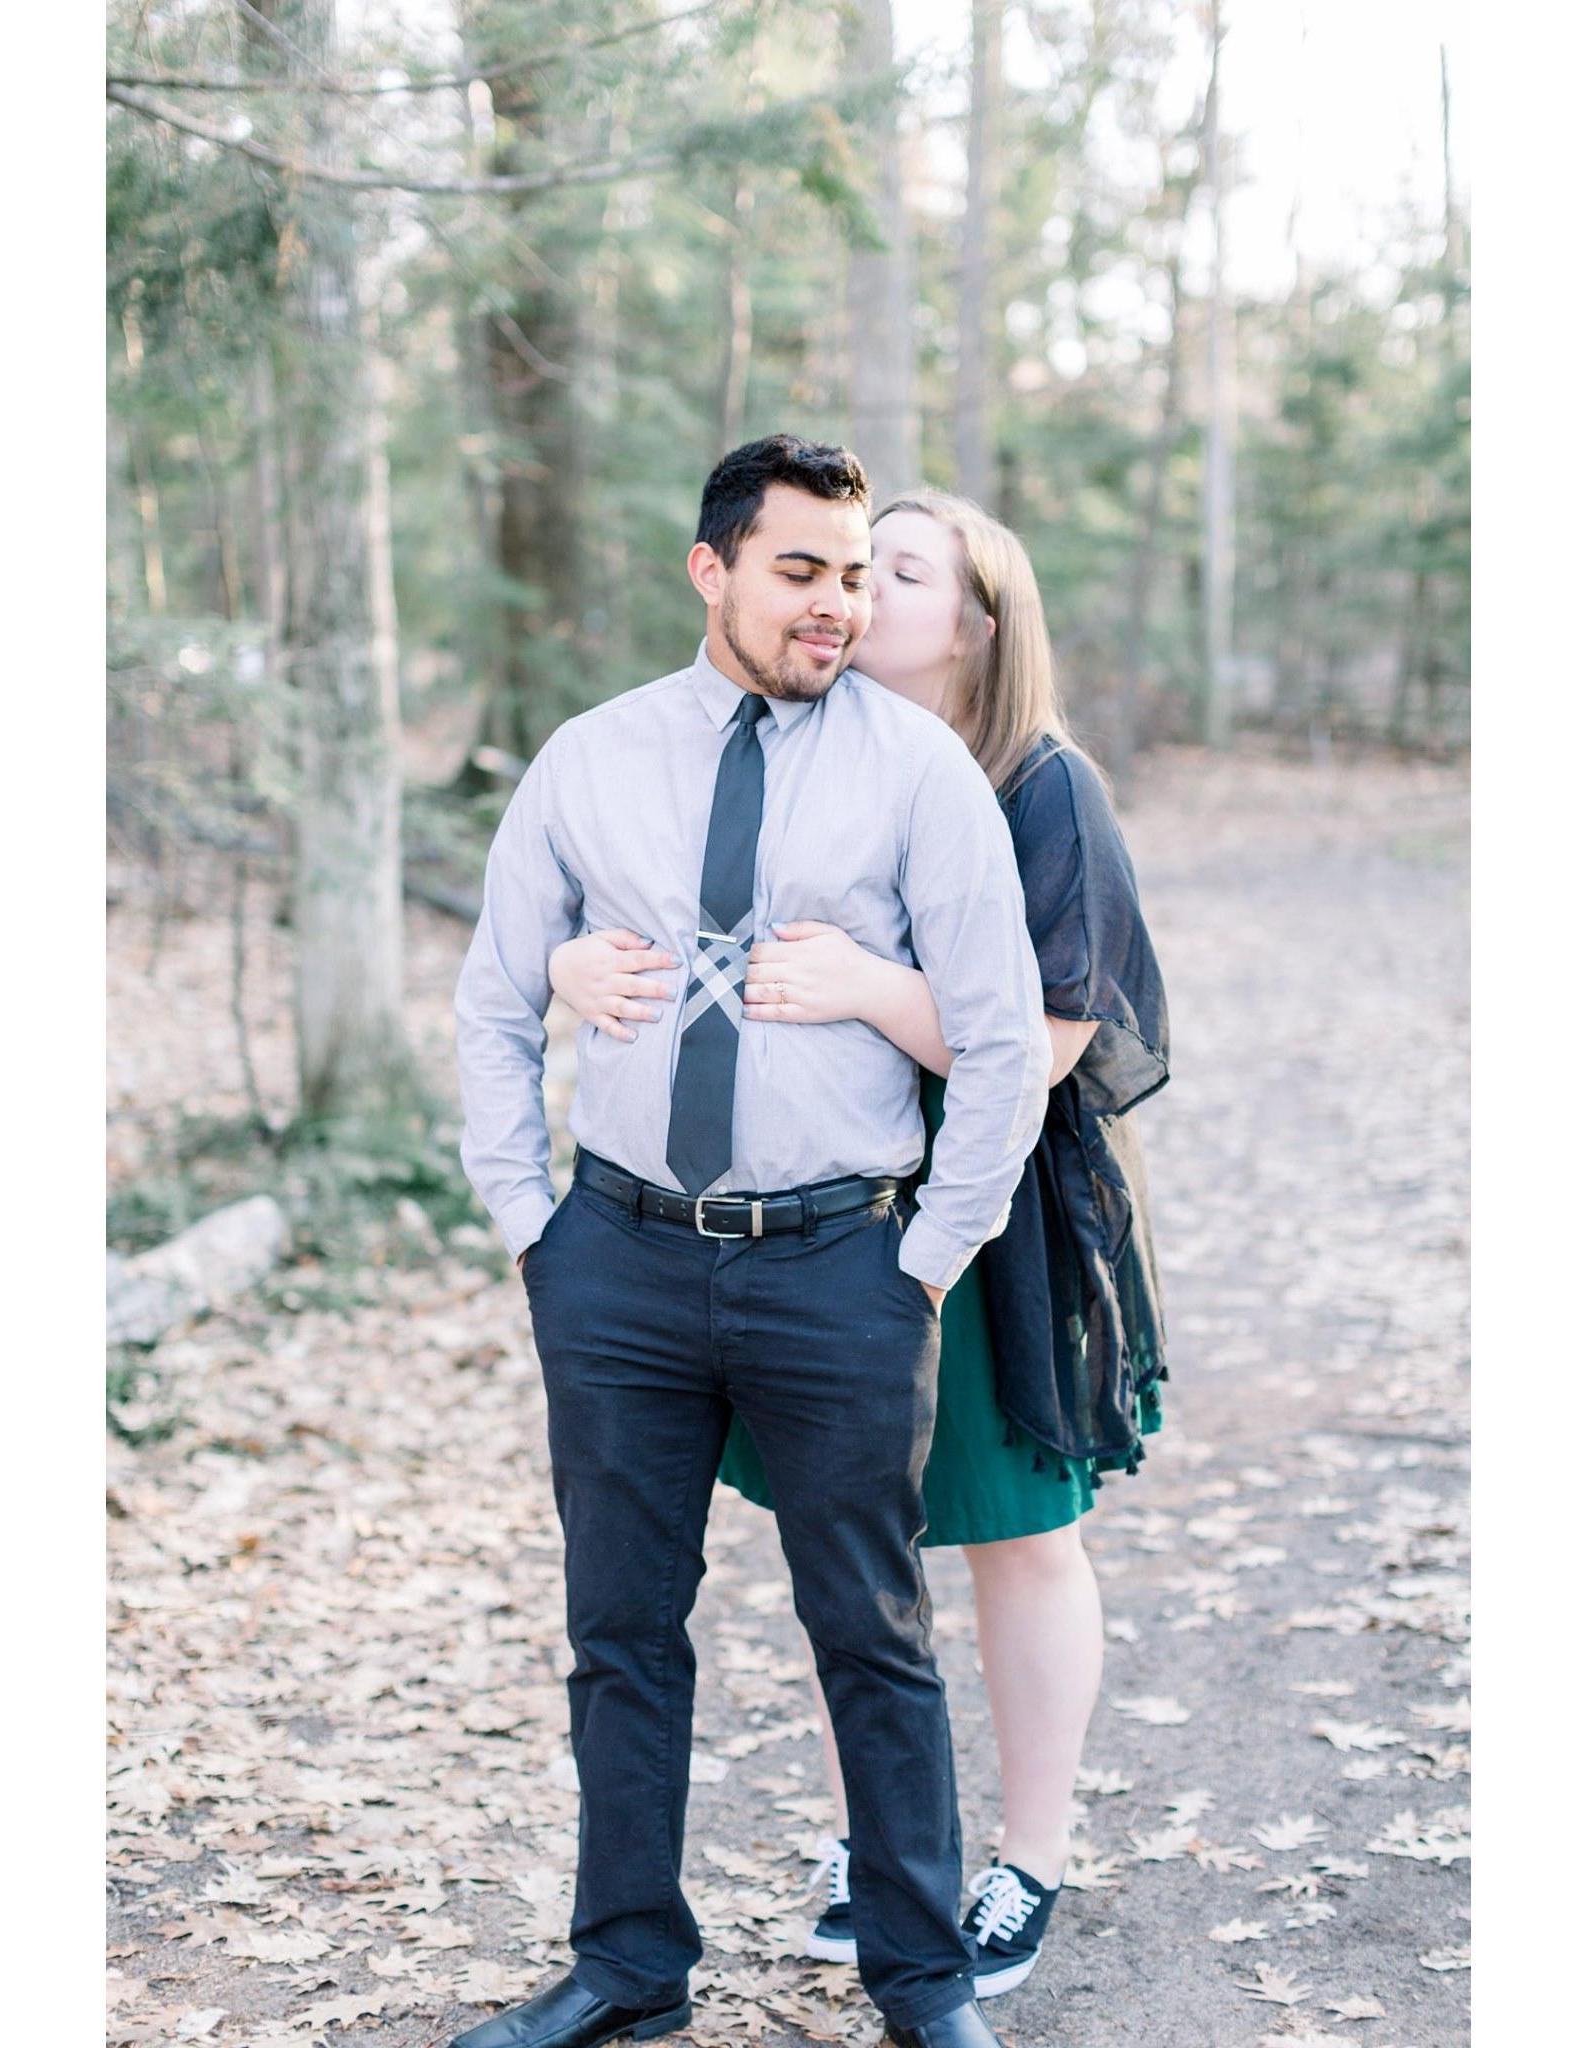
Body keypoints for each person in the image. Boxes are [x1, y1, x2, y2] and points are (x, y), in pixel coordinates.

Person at [452, 438, 1051, 2048]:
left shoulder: (917, 773)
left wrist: (929, 1254)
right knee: (620, 1632)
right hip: (619, 1258)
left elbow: (1001, 1036)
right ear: (710, 569)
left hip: (839, 1265)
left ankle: (923, 1981)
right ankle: (627, 1964)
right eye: (801, 572)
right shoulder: (591, 759)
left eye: (855, 575)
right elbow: (496, 998)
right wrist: (531, 1224)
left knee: (872, 1631)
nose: (836, 605)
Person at [547, 488, 1170, 2004]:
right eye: (838, 564)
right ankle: (877, 1854)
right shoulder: (794, 748)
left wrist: (873, 993)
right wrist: (572, 964)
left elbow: (1056, 1036)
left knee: (1017, 1530)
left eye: (897, 570)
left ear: (979, 623)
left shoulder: (1041, 786)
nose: (857, 590)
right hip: (809, 1213)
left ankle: (1027, 1859)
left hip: (989, 1205)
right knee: (856, 1547)